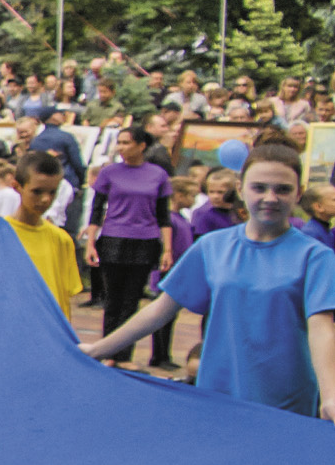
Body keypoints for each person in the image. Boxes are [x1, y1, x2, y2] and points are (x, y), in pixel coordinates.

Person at [84, 145, 335, 416]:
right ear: (240, 189)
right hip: (217, 393)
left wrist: (330, 395)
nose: (270, 198)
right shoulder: (212, 247)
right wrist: (98, 349)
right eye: (259, 187)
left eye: (283, 189)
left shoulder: (316, 257)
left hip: (284, 400)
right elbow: (160, 310)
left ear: (299, 192)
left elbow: (322, 330)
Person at [84, 125, 173, 361]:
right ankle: (107, 350)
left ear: (141, 146)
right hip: (113, 238)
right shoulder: (109, 172)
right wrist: (91, 242)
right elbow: (96, 209)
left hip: (145, 241)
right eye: (119, 142)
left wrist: (167, 249)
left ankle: (124, 354)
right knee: (112, 299)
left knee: (131, 300)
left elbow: (164, 215)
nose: (121, 147)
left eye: (126, 142)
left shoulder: (158, 175)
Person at [3, 152, 83, 316]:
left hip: (50, 334)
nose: (46, 199)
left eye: (52, 192)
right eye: (37, 191)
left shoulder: (61, 239)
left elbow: (64, 298)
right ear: (17, 187)